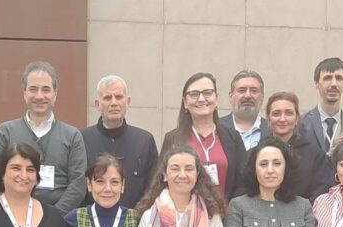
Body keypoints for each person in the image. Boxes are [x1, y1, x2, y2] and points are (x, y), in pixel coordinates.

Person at [0, 61, 88, 212]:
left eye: (46, 89)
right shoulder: (5, 132)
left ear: (55, 94)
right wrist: (13, 213)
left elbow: (78, 184)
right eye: (33, 89)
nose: (39, 96)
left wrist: (54, 217)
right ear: (24, 93)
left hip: (59, 221)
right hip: (13, 218)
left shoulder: (72, 136)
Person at [162, 72, 246, 200]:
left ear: (216, 99)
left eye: (207, 93)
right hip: (186, 215)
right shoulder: (172, 139)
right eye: (194, 94)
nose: (201, 99)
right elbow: (162, 180)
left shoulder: (232, 137)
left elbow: (242, 182)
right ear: (185, 102)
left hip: (226, 216)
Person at [79, 75, 159, 208]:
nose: (114, 103)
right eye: (107, 98)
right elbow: (77, 185)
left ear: (127, 102)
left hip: (134, 222)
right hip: (90, 222)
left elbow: (152, 187)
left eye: (119, 97)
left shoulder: (145, 141)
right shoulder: (81, 138)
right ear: (98, 104)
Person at [262, 91, 334, 200]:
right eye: (276, 113)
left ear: (296, 119)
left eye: (288, 113)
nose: (282, 119)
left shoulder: (315, 155)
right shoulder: (258, 153)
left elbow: (320, 193)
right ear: (268, 118)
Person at [299, 57, 343, 152]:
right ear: (316, 83)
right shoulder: (301, 123)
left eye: (339, 78)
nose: (334, 84)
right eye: (327, 78)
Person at [219, 70, 266, 150]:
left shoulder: (272, 130)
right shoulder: (217, 128)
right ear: (230, 96)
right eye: (242, 90)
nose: (247, 95)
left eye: (254, 91)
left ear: (262, 97)